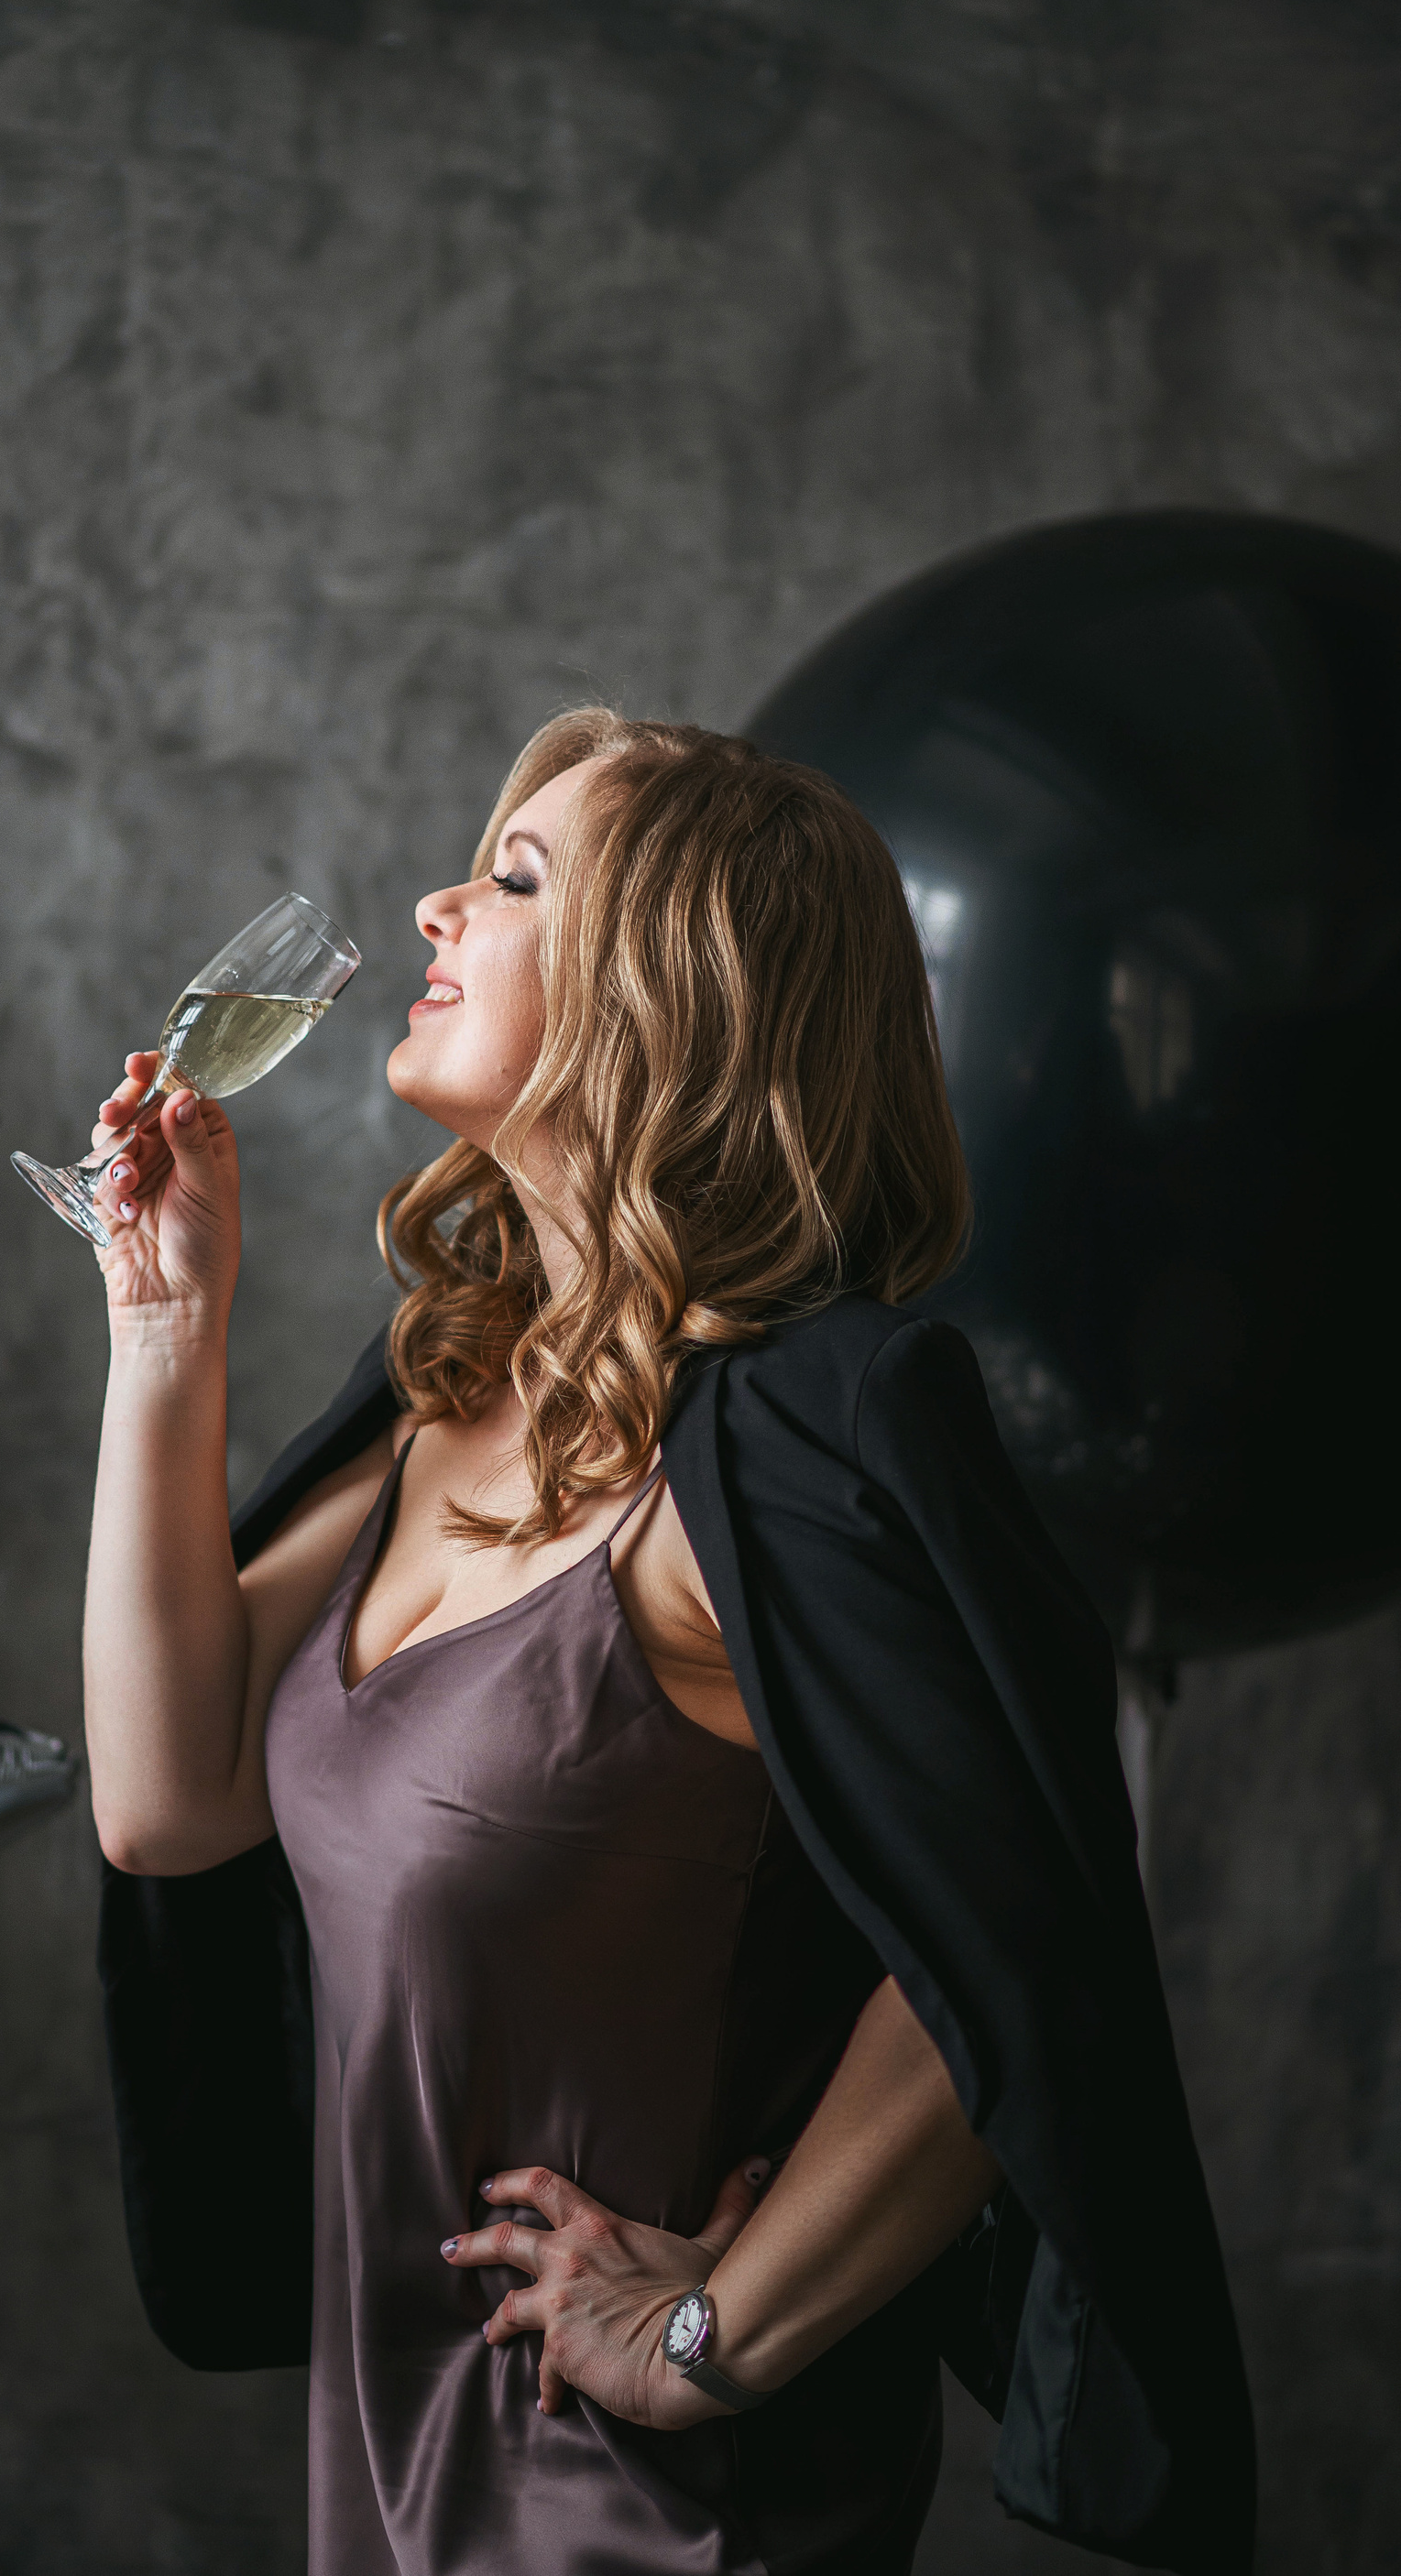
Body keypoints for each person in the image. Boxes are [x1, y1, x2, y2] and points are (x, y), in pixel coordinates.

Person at [82, 713, 1254, 2576]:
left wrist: (716, 2334)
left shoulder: (807, 1426)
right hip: (389, 2471)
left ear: (674, 989)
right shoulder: (445, 1382)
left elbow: (1025, 1949)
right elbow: (169, 1804)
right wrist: (165, 1331)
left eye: (516, 878)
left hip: (641, 2512)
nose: (436, 904)